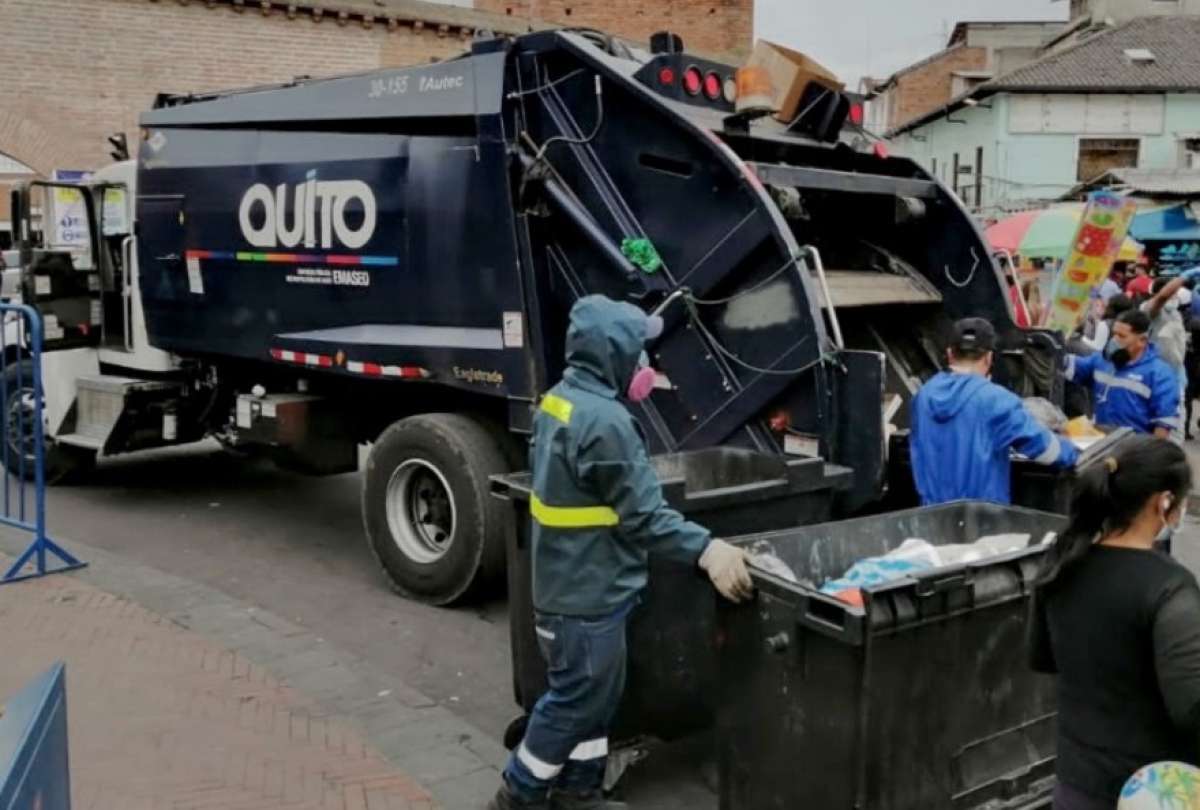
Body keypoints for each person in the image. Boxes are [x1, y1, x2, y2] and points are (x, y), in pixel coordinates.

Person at [491, 295, 753, 810]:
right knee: (573, 702)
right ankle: (516, 796)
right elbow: (645, 518)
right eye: (638, 352)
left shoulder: (558, 400)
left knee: (596, 700)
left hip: (570, 582)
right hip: (587, 596)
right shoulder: (607, 423)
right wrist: (708, 550)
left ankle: (579, 792)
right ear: (611, 354)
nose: (646, 365)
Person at [1030, 436, 1200, 810]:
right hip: (1153, 793)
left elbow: (1042, 658)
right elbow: (1192, 709)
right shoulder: (1169, 588)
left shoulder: (1060, 566)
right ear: (1164, 502)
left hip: (1076, 786)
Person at [911, 318, 1078, 505]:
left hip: (931, 515)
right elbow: (1044, 449)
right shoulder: (996, 400)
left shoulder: (922, 397)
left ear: (950, 354)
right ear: (989, 358)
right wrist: (1072, 451)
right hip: (983, 520)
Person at [1066, 309, 1181, 437]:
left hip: (1134, 451)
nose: (1114, 340)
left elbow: (1162, 427)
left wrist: (1149, 454)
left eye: (1121, 336)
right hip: (1101, 444)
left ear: (1142, 340)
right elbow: (1071, 366)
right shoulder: (1102, 361)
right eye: (1113, 334)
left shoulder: (1160, 374)